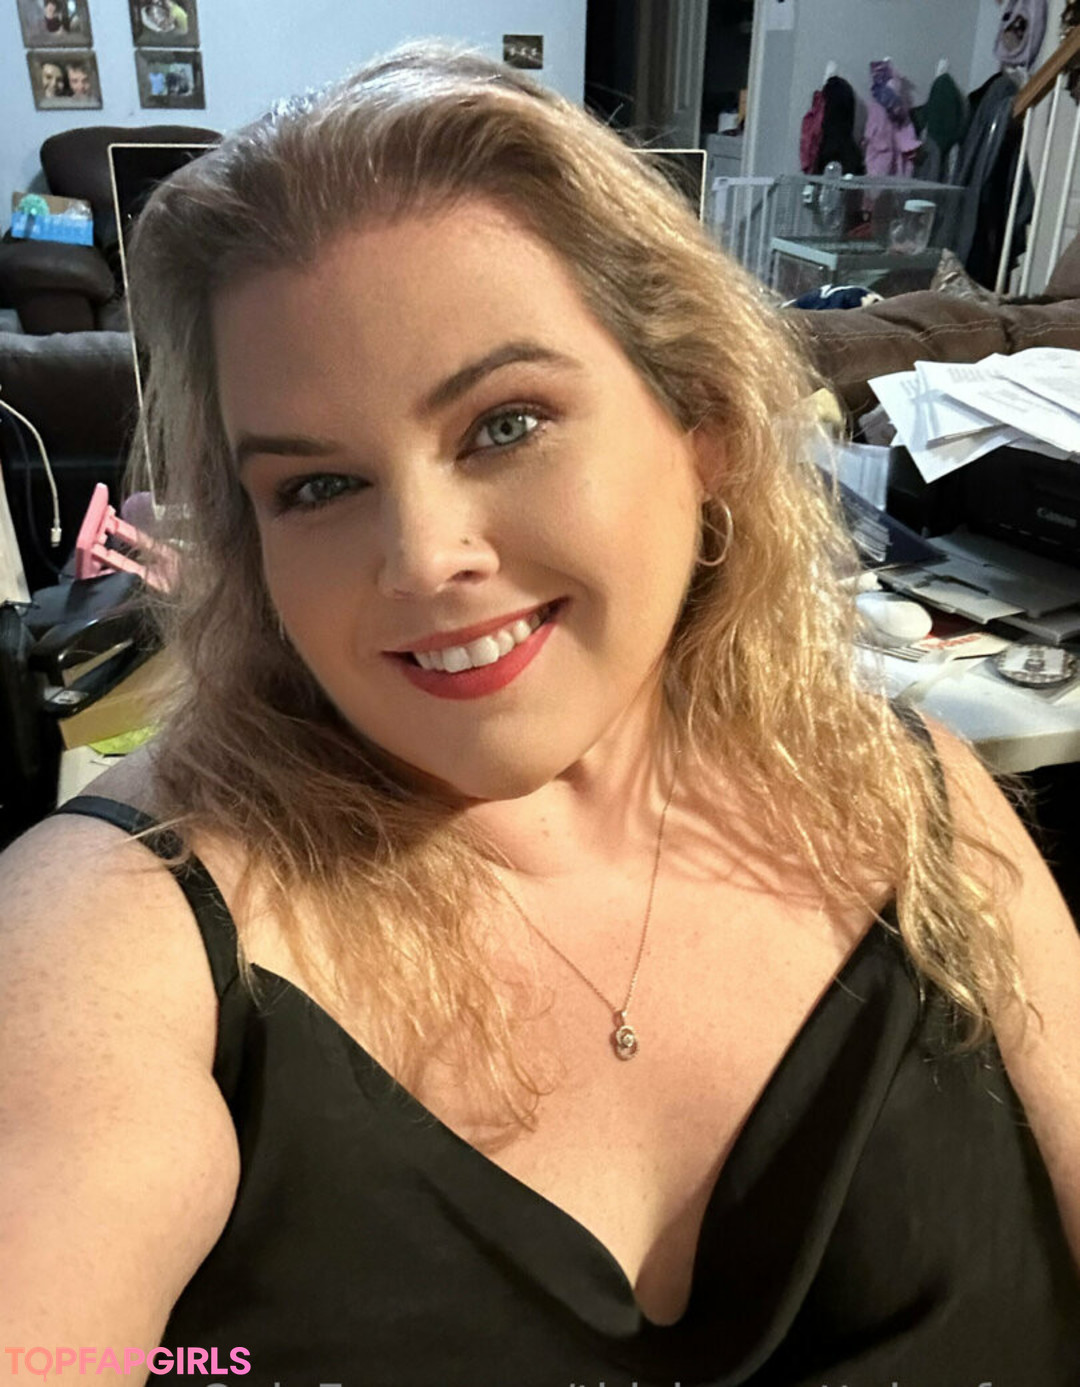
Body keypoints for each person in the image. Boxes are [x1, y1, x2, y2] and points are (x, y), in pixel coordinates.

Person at [2, 42, 1079, 1386]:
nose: (420, 561)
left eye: (504, 425)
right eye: (317, 488)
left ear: (702, 422)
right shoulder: (115, 932)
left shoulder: (924, 806)